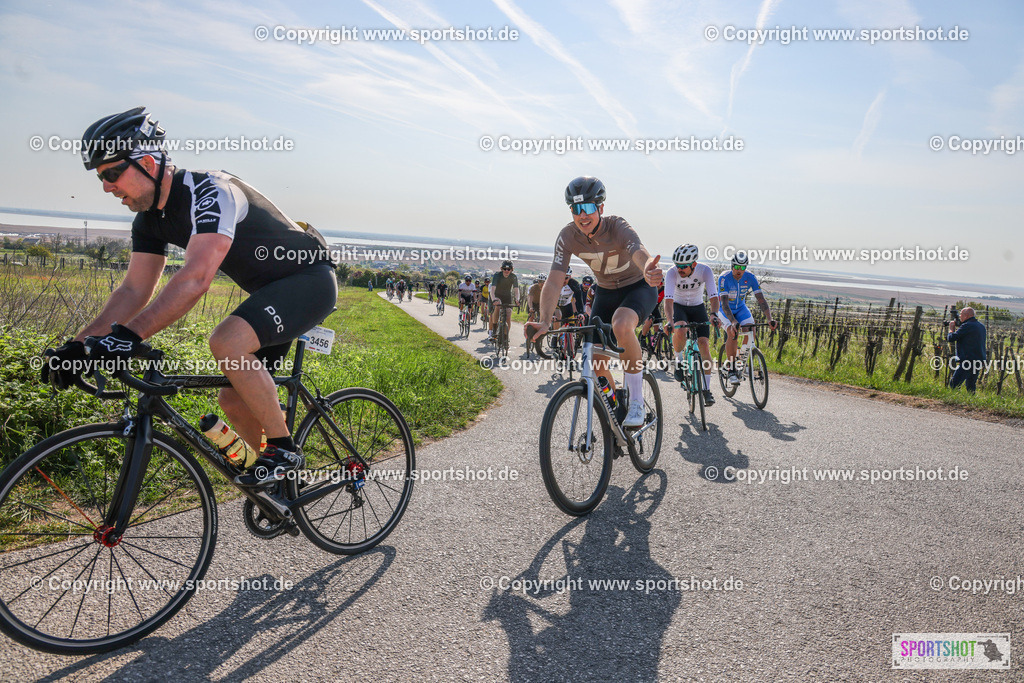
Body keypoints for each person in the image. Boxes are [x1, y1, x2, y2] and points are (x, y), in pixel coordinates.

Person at [44, 107, 336, 487]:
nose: (107, 187)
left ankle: (284, 450)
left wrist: (129, 337)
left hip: (309, 279)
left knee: (227, 341)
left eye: (112, 173)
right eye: (101, 178)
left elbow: (196, 277)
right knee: (233, 400)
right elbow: (133, 290)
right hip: (270, 293)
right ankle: (276, 484)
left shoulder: (210, 191)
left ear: (147, 162)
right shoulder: (148, 219)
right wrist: (79, 346)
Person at [530, 177, 663, 428]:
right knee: (595, 361)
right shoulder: (567, 236)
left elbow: (637, 248)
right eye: (575, 209)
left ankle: (636, 401)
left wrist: (647, 268)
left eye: (589, 208)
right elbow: (555, 280)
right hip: (606, 292)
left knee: (621, 325)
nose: (582, 215)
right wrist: (545, 320)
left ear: (600, 208)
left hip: (638, 287)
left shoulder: (617, 226)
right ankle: (616, 408)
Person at [664, 244, 721, 406]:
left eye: (683, 267)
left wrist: (714, 314)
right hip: (678, 306)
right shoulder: (671, 273)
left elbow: (713, 296)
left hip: (697, 307)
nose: (679, 269)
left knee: (704, 344)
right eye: (677, 265)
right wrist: (670, 320)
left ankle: (707, 389)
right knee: (680, 328)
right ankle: (679, 360)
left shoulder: (705, 271)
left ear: (694, 264)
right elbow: (668, 301)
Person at [717, 251, 776, 385]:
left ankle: (742, 361)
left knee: (751, 330)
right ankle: (732, 369)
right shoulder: (724, 278)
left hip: (741, 308)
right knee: (733, 332)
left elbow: (761, 299)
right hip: (725, 310)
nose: (739, 270)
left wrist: (769, 319)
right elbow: (724, 303)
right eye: (736, 267)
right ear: (732, 266)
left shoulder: (750, 277)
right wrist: (733, 321)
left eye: (743, 267)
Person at [947, 306, 986, 393]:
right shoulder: (981, 326)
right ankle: (970, 402)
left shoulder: (967, 326)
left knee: (954, 383)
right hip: (979, 360)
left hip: (968, 360)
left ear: (967, 315)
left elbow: (951, 338)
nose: (960, 317)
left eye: (961, 314)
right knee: (971, 385)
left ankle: (953, 401)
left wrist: (951, 329)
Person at [488, 260, 520, 341]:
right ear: (501, 269)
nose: (506, 271)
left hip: (507, 296)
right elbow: (492, 289)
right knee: (497, 306)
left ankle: (506, 336)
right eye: (504, 269)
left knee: (508, 314)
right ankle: (494, 330)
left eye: (508, 269)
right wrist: (493, 299)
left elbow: (516, 290)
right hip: (497, 295)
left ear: (511, 270)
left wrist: (517, 299)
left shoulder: (513, 277)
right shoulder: (497, 275)